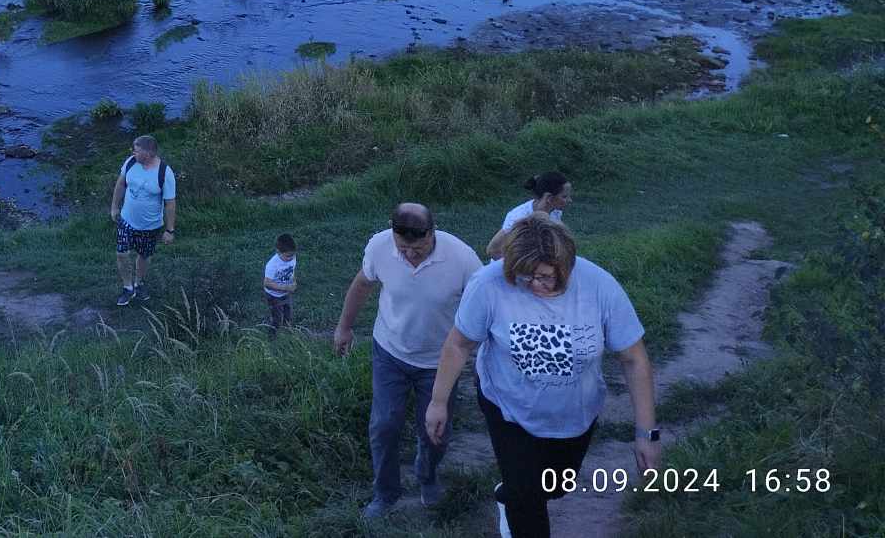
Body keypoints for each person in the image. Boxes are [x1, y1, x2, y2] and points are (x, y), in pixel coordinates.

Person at [425, 214, 658, 538]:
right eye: (524, 276)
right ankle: (517, 496)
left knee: (556, 486)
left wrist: (647, 434)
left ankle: (514, 492)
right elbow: (458, 344)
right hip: (508, 407)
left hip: (575, 413)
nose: (534, 285)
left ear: (567, 264)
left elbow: (633, 359)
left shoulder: (600, 287)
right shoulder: (488, 284)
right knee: (527, 498)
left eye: (545, 277)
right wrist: (438, 402)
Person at [333, 203, 484, 517]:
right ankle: (385, 495)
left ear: (432, 231)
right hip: (390, 350)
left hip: (440, 361)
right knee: (384, 424)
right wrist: (344, 327)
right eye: (404, 249)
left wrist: (480, 358)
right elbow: (363, 283)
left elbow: (483, 308)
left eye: (419, 248)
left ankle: (427, 474)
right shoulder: (379, 246)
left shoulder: (463, 258)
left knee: (435, 430)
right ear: (392, 230)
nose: (411, 255)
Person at [109, 134, 175, 307]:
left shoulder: (164, 173)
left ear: (147, 154)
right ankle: (127, 286)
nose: (133, 153)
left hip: (149, 225)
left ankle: (138, 283)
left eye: (136, 151)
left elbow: (170, 203)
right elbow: (121, 183)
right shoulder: (131, 162)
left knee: (144, 255)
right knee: (121, 253)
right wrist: (115, 207)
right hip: (126, 219)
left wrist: (169, 231)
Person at [486, 171, 571, 260]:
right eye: (565, 196)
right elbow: (492, 250)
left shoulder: (555, 213)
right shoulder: (519, 217)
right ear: (549, 197)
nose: (569, 200)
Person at [263, 233, 298, 336]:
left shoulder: (291, 258)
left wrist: (293, 281)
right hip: (274, 295)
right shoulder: (272, 265)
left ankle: (285, 334)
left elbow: (291, 270)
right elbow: (266, 283)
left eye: (294, 254)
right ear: (278, 252)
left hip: (285, 293)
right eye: (289, 256)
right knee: (277, 319)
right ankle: (271, 335)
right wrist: (284, 287)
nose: (292, 257)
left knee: (288, 317)